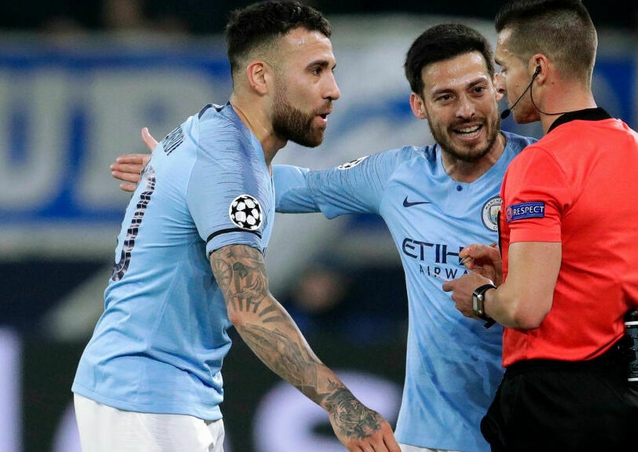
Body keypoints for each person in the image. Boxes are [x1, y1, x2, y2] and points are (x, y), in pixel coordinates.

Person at [111, 23, 538, 452]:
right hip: (427, 439)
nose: (465, 109)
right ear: (419, 106)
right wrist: (193, 171)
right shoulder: (399, 175)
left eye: (477, 90)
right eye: (445, 97)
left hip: (533, 424)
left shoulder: (539, 173)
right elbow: (302, 186)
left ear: (498, 88)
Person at [72, 2, 400, 451]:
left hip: (164, 393)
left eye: (332, 70)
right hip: (145, 399)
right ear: (260, 77)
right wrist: (341, 404)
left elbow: (292, 185)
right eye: (316, 71)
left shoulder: (217, 138)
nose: (334, 90)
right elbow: (248, 307)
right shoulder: (227, 165)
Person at [442, 0, 638, 450]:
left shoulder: (541, 163)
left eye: (503, 67)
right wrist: (523, 265)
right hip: (628, 402)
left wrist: (479, 296)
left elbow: (525, 310)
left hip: (551, 406)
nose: (498, 84)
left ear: (539, 67)